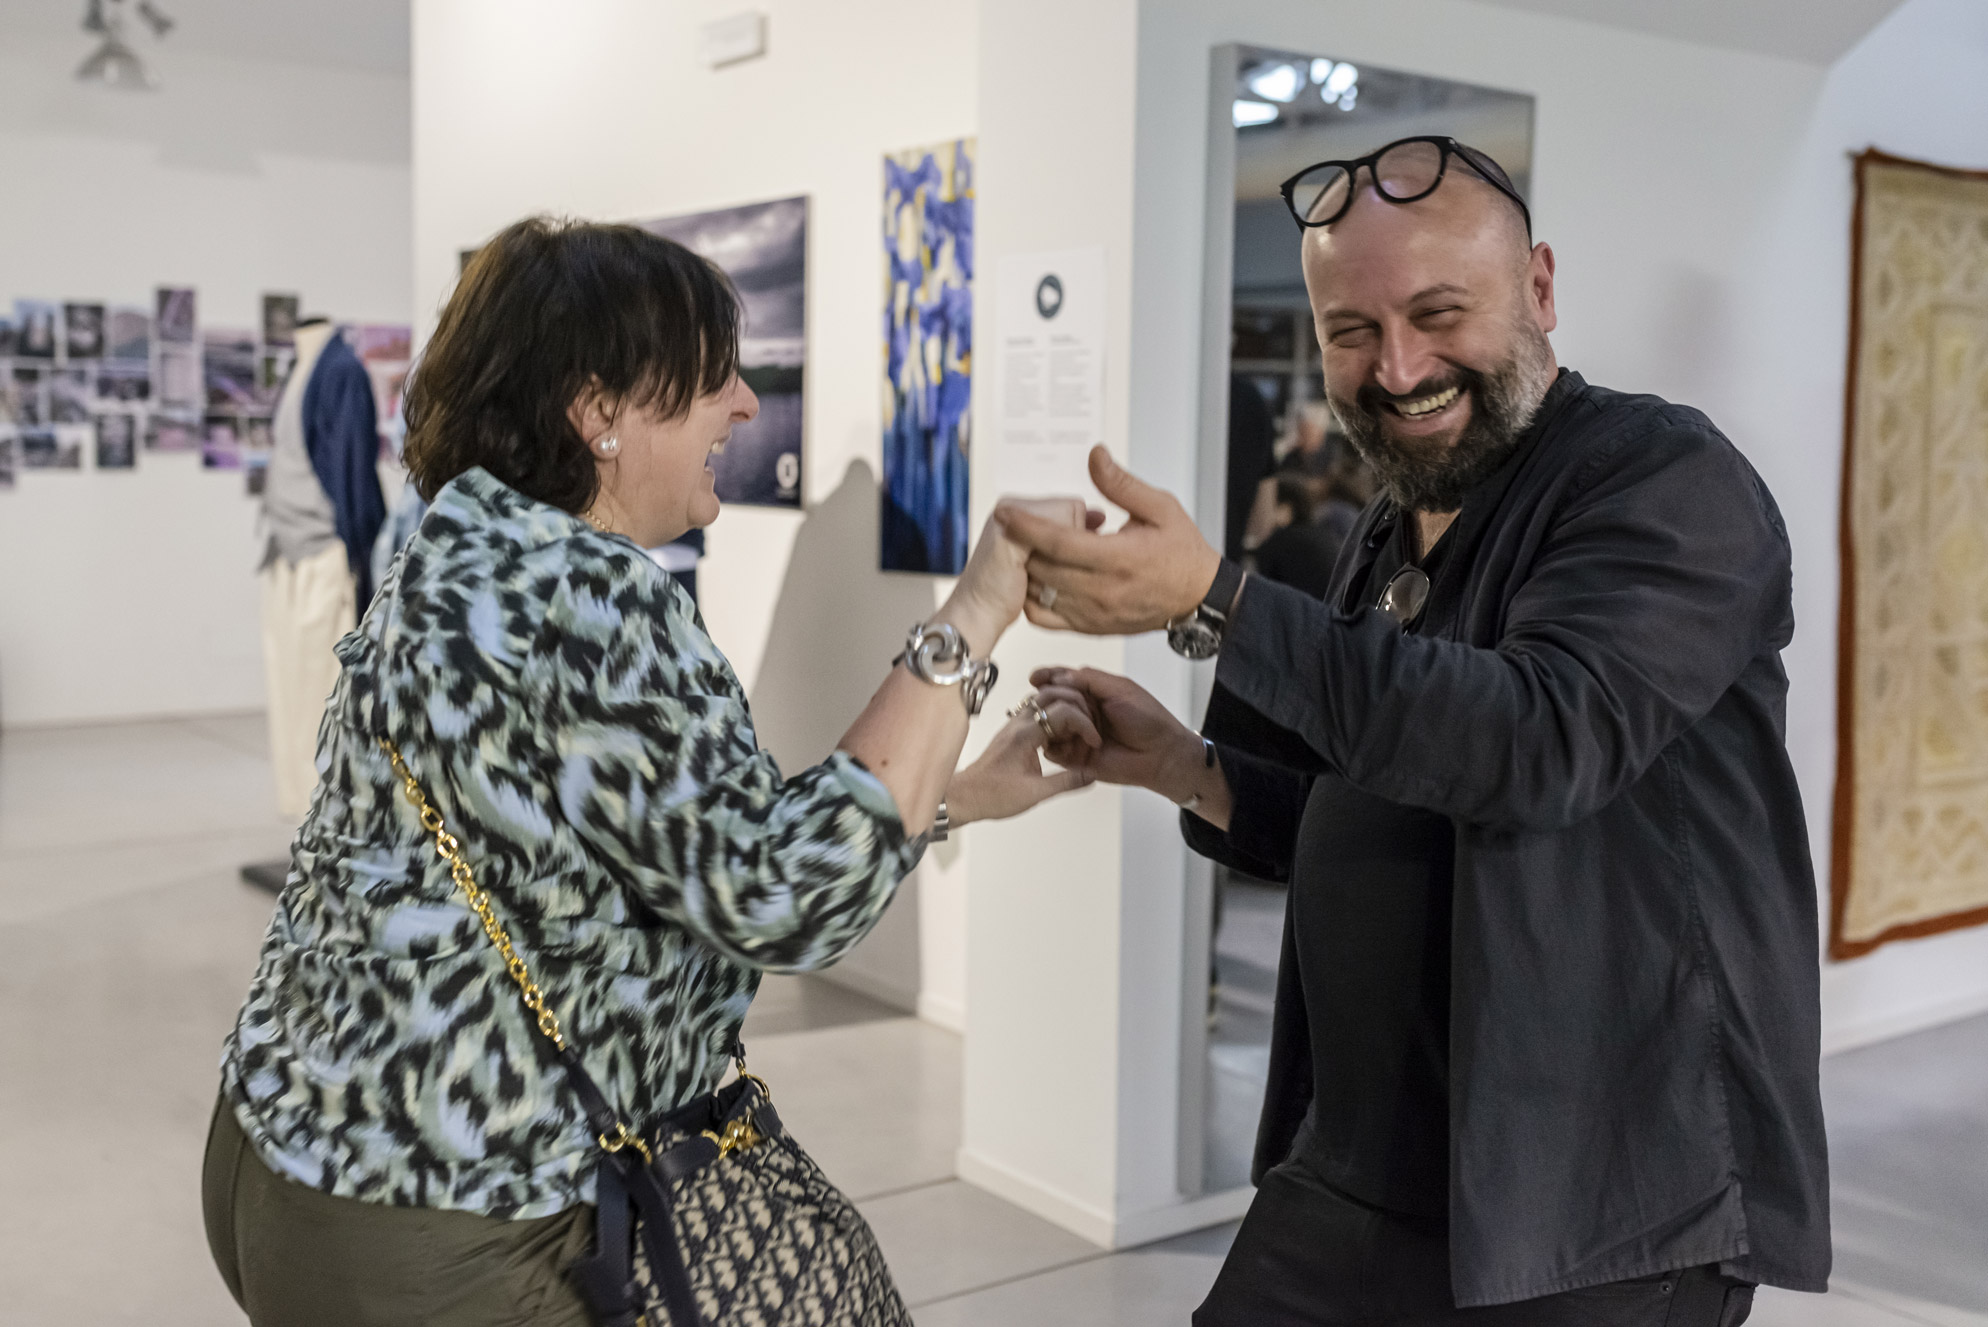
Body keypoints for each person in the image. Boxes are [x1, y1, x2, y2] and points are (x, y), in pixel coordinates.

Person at [203, 217, 1101, 1325]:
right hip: (445, 1215)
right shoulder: (593, 596)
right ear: (599, 414)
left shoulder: (454, 547)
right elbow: (781, 897)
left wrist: (953, 795)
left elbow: (684, 844)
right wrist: (978, 606)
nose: (744, 404)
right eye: (712, 378)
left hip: (283, 1152)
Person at [1002, 135, 1826, 1325]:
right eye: (1351, 331)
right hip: (1357, 1162)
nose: (1397, 367)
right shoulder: (1392, 523)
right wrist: (1182, 766)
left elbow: (1537, 744)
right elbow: (1378, 797)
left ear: (1538, 286)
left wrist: (1214, 599)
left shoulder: (1664, 480)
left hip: (1593, 1199)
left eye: (1438, 314)